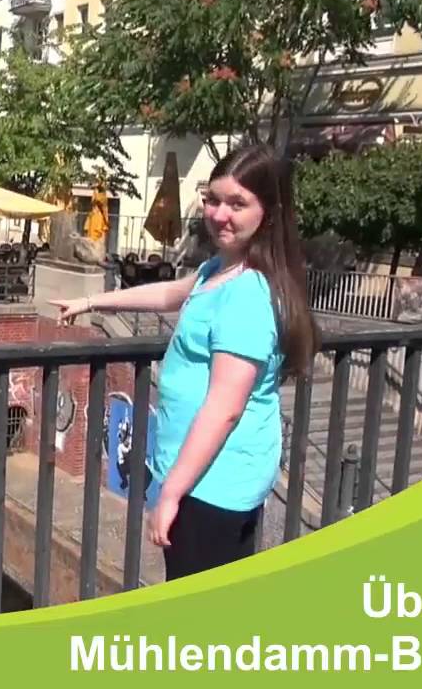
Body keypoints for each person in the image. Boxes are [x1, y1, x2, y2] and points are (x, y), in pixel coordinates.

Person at [51, 144, 318, 581]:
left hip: (213, 485)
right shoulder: (220, 269)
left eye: (237, 204)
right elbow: (169, 293)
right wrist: (91, 301)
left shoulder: (247, 295)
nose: (219, 214)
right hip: (207, 477)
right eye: (213, 200)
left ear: (269, 213)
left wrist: (171, 493)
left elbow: (224, 408)